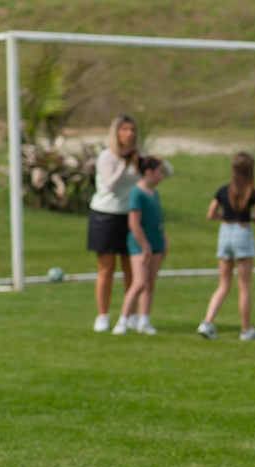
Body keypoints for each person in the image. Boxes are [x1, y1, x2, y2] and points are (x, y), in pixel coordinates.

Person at [197, 153, 255, 341]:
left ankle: (207, 322)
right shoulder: (253, 194)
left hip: (225, 234)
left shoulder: (223, 191)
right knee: (243, 285)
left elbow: (211, 214)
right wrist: (247, 217)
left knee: (223, 284)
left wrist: (226, 216)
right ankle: (246, 330)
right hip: (243, 234)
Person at [86, 115, 140, 332]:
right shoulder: (107, 157)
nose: (129, 134)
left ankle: (130, 315)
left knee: (131, 269)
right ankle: (103, 315)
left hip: (131, 216)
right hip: (105, 215)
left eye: (132, 130)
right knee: (106, 269)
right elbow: (111, 185)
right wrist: (125, 163)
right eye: (124, 129)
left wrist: (153, 161)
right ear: (116, 132)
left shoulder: (138, 157)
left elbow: (167, 171)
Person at [112, 156, 169, 336]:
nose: (162, 176)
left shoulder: (155, 194)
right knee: (139, 282)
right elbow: (134, 224)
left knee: (150, 283)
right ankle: (123, 320)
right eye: (160, 172)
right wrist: (145, 246)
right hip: (140, 246)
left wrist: (163, 241)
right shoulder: (137, 193)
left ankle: (144, 320)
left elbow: (157, 221)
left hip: (156, 244)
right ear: (149, 172)